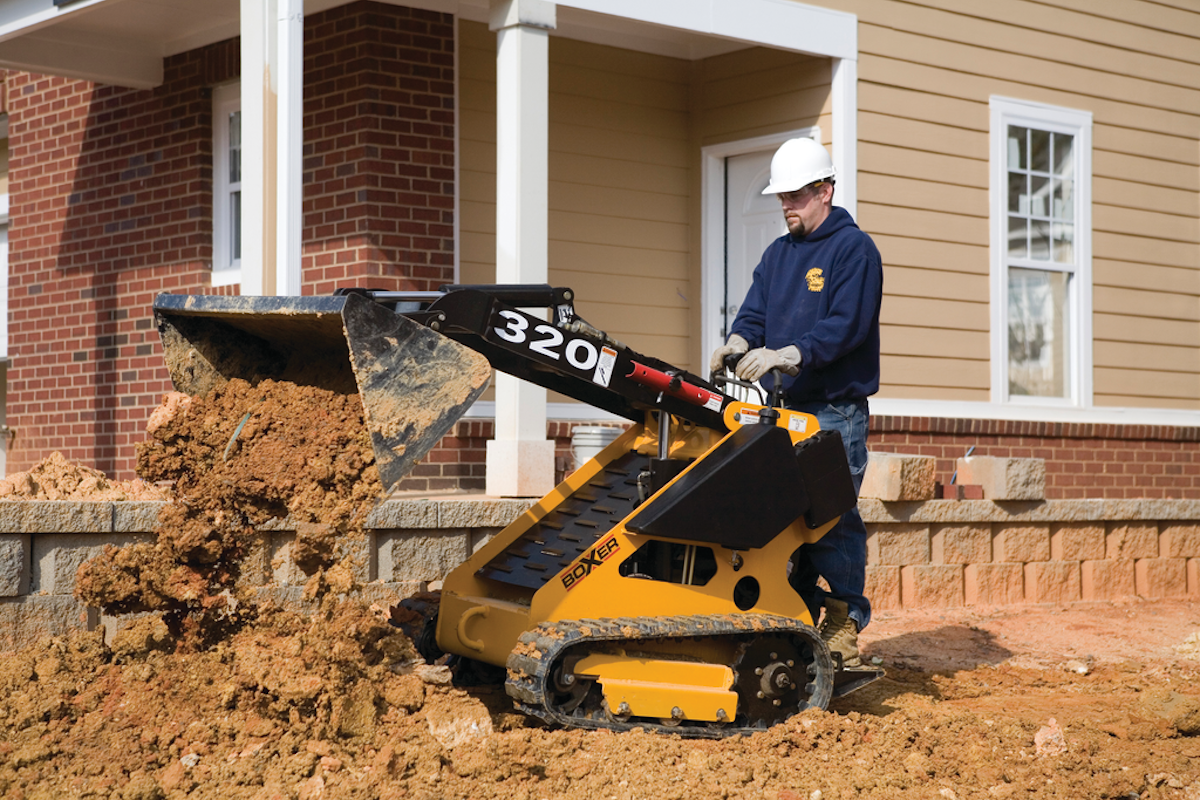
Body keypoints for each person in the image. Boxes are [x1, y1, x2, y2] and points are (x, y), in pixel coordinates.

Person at [709, 137, 882, 668]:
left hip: (834, 412)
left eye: (796, 196)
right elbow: (755, 312)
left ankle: (845, 618)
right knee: (787, 520)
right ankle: (800, 619)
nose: (786, 205)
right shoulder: (778, 254)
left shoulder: (854, 251)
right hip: (783, 413)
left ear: (825, 191)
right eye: (781, 197)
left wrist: (791, 352)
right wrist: (739, 341)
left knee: (831, 518)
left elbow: (846, 326)